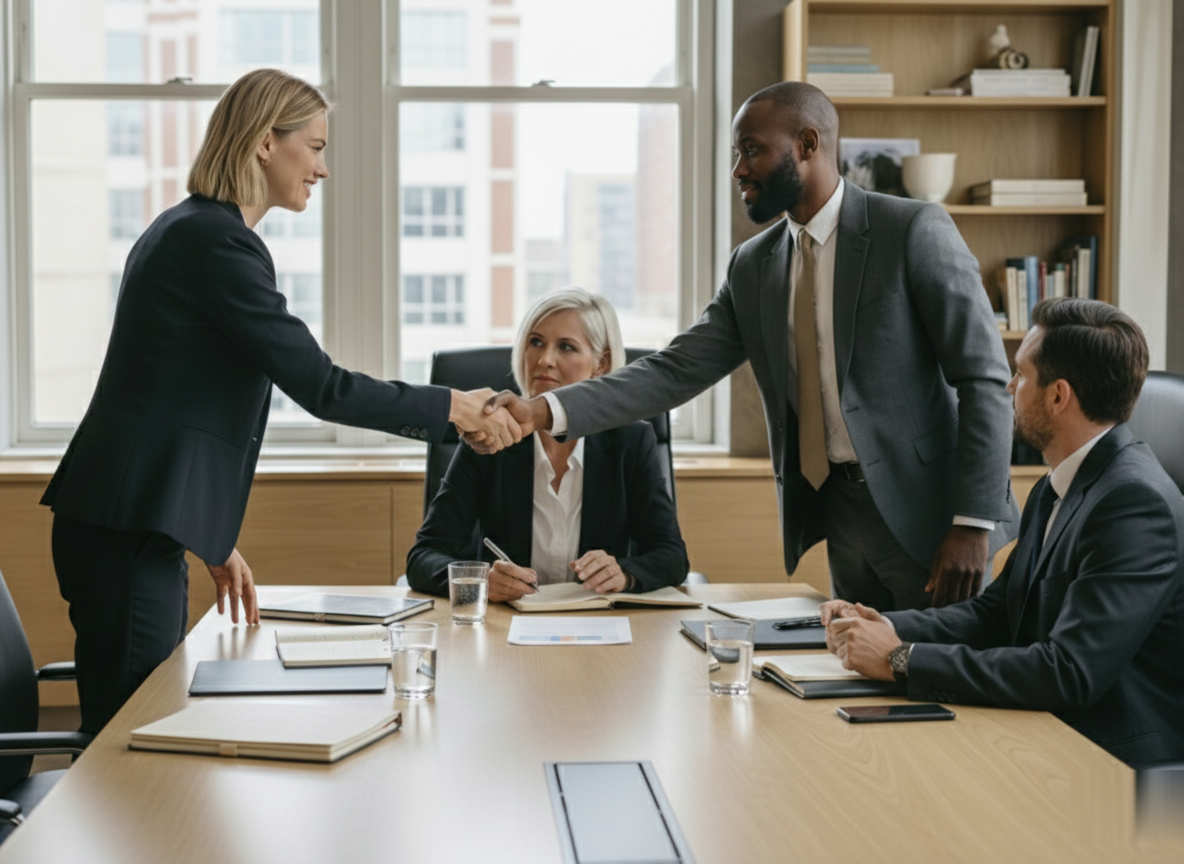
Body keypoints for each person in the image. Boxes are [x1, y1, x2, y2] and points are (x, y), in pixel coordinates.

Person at [41, 69, 521, 733]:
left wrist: (205, 533)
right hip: (126, 531)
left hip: (134, 524)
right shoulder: (217, 242)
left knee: (139, 721)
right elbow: (320, 386)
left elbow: (172, 392)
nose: (323, 169)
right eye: (316, 147)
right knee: (128, 738)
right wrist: (453, 409)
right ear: (266, 142)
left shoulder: (192, 231)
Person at [479, 81, 1017, 611]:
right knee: (865, 681)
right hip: (840, 512)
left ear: (807, 145)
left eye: (752, 150)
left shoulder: (913, 230)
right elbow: (672, 371)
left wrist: (972, 522)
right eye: (736, 153)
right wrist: (541, 410)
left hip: (931, 515)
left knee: (940, 684)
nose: (738, 169)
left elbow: (985, 378)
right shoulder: (753, 265)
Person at [823, 298, 1184, 766]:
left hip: (1110, 764)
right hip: (1044, 733)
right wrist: (885, 626)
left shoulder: (1135, 506)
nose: (1011, 386)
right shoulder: (1057, 486)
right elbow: (998, 614)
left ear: (1058, 396)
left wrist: (901, 659)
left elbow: (1068, 672)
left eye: (1021, 375)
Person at [407, 288, 689, 601]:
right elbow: (424, 558)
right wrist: (480, 580)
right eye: (536, 342)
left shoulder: (630, 440)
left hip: (598, 627)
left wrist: (624, 574)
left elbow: (671, 557)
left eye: (566, 347)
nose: (544, 360)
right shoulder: (490, 435)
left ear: (601, 364)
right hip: (507, 629)